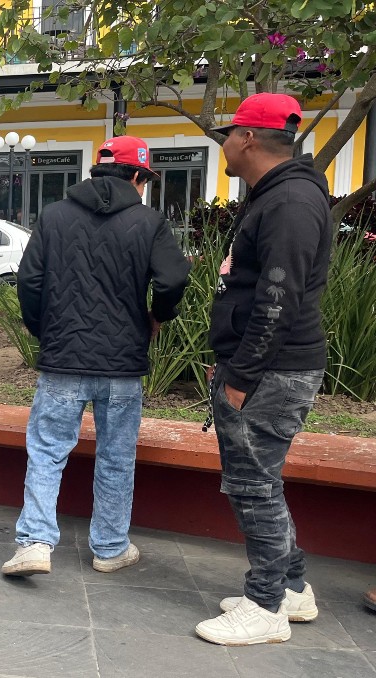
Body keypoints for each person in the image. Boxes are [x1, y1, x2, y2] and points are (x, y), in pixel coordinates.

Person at [1, 136, 190, 578]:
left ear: (94, 173)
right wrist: (157, 317)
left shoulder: (53, 215)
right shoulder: (149, 221)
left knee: (47, 451)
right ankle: (109, 547)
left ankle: (34, 543)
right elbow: (173, 277)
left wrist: (42, 330)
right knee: (116, 456)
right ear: (138, 177)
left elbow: (29, 281)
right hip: (122, 363)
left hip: (63, 358)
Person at [194, 93, 333, 646]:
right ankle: (292, 589)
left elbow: (279, 301)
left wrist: (241, 376)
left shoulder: (290, 203)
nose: (224, 142)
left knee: (253, 486)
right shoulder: (277, 196)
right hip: (263, 369)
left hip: (272, 374)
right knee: (260, 483)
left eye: (229, 133)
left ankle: (266, 605)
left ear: (248, 138)